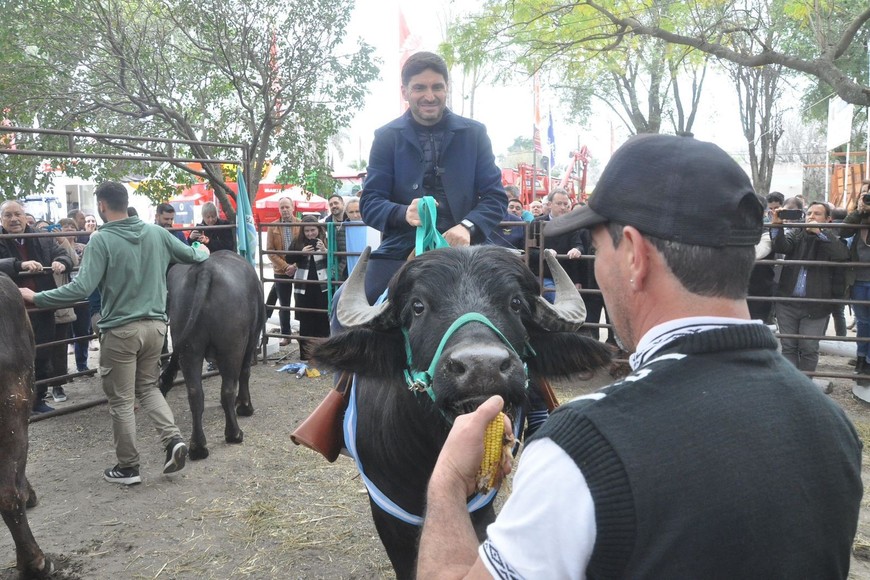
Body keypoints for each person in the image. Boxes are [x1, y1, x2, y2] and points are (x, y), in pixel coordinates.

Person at [417, 134, 862, 579]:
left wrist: (449, 482)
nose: (596, 265)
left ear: (633, 254)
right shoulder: (830, 423)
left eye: (597, 245)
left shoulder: (578, 449)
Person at [20, 181, 210, 485]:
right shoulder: (156, 233)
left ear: (103, 206)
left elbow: (81, 288)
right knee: (148, 388)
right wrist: (202, 247)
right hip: (156, 328)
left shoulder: (101, 240)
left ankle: (128, 467)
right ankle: (173, 440)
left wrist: (36, 298)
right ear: (125, 201)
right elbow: (193, 256)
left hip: (121, 330)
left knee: (121, 401)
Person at [358, 51, 506, 304]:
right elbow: (370, 203)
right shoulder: (386, 136)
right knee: (346, 311)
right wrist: (403, 213)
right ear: (405, 91)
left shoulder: (475, 133)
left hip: (470, 249)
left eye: (437, 87)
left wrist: (467, 227)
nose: (429, 96)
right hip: (401, 249)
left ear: (447, 88)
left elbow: (495, 197)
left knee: (526, 308)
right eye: (419, 88)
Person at [0, 200, 74, 413]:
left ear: (25, 216)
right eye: (8, 215)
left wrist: (62, 262)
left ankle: (38, 399)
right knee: (11, 357)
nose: (14, 219)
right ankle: (13, 402)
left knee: (42, 353)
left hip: (40, 306)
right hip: (9, 311)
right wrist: (18, 265)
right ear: (1, 219)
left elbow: (61, 253)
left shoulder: (40, 237)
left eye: (17, 214)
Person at [771, 201, 848, 374]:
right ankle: (792, 385)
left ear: (828, 219)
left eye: (817, 214)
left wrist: (819, 233)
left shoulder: (832, 236)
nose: (811, 217)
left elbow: (841, 255)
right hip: (787, 302)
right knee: (788, 346)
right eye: (809, 213)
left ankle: (807, 386)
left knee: (809, 347)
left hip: (816, 305)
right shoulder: (797, 233)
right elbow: (781, 246)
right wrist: (777, 225)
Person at [529, 188, 586, 303]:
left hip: (565, 275)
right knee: (557, 301)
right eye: (559, 203)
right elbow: (528, 250)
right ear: (549, 204)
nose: (563, 207)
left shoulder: (572, 224)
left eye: (565, 204)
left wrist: (577, 249)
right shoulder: (536, 223)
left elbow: (579, 245)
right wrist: (545, 252)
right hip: (543, 274)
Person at [840, 182, 870, 384]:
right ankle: (861, 358)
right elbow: (843, 232)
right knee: (863, 322)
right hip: (859, 278)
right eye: (865, 196)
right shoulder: (859, 216)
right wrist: (860, 211)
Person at [289, 216, 330, 362]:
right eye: (307, 231)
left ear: (318, 229)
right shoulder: (297, 242)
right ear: (303, 231)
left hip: (322, 286)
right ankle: (306, 355)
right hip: (303, 287)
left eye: (313, 230)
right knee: (306, 321)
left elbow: (334, 260)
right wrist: (301, 253)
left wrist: (325, 251)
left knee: (323, 320)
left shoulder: (326, 240)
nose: (310, 234)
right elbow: (288, 258)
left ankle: (323, 355)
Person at [265, 196, 299, 346]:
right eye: (282, 207)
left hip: (299, 268)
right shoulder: (273, 226)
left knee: (300, 302)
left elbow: (306, 246)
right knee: (284, 304)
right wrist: (286, 266)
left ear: (293, 208)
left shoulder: (301, 224)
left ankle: (304, 333)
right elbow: (270, 251)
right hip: (281, 270)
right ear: (279, 209)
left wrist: (295, 265)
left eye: (287, 207)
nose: (285, 210)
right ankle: (286, 335)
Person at [324, 193, 349, 280]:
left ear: (342, 203)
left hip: (351, 259)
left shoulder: (351, 217)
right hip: (336, 263)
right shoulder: (327, 222)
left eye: (336, 203)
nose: (333, 206)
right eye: (331, 204)